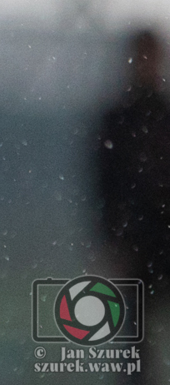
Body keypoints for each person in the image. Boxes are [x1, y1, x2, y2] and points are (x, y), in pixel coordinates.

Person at [96, 25, 170, 381]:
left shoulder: (146, 116)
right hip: (138, 242)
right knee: (134, 340)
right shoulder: (118, 119)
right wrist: (114, 240)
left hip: (155, 238)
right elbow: (105, 186)